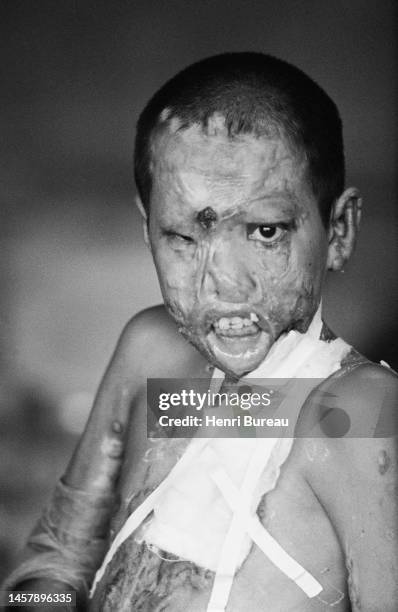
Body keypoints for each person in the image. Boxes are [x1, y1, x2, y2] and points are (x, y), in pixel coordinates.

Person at [4, 52, 398, 611]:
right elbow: (62, 555)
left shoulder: (359, 416)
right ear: (147, 229)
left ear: (338, 230)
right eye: (184, 238)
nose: (223, 286)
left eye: (265, 232)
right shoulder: (153, 355)